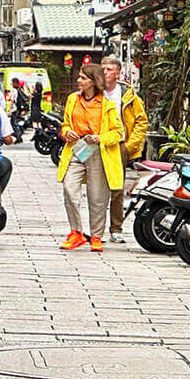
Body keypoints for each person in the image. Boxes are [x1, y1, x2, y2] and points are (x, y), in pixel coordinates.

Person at [57, 64, 125, 252]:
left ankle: (96, 235)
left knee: (97, 197)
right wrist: (67, 131)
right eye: (79, 77)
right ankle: (76, 232)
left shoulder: (107, 105)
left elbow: (118, 133)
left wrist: (100, 138)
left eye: (83, 78)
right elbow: (65, 124)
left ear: (94, 81)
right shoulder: (73, 100)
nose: (78, 81)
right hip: (76, 149)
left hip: (97, 151)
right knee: (69, 188)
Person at [101, 55, 149, 243]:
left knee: (117, 188)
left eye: (109, 69)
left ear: (118, 73)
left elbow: (141, 121)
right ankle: (95, 230)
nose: (105, 73)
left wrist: (130, 145)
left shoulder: (128, 95)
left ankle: (116, 228)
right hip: (98, 143)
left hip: (119, 145)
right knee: (96, 189)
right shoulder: (95, 92)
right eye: (103, 69)